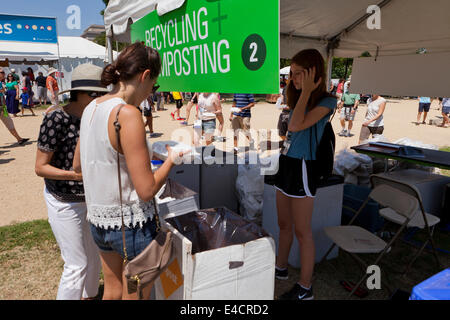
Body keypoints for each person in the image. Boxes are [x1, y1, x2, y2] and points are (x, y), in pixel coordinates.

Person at [74, 42, 185, 300]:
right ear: (145, 76)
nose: (150, 93)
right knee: (135, 295)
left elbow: (78, 165)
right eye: (154, 86)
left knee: (112, 291)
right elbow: (146, 190)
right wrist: (171, 160)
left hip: (99, 220)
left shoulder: (91, 107)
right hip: (131, 226)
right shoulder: (128, 114)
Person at [35, 64, 109, 300]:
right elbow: (41, 167)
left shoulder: (96, 117)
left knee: (94, 258)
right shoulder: (57, 118)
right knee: (76, 264)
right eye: (99, 94)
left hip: (91, 199)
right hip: (63, 201)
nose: (103, 100)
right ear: (85, 94)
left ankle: (88, 296)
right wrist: (75, 176)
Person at [269, 49, 337, 300]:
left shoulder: (327, 101)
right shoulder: (297, 97)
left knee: (302, 231)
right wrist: (300, 93)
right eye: (292, 74)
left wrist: (306, 91)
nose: (293, 79)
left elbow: (297, 125)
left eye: (299, 74)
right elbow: (291, 131)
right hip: (286, 163)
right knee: (283, 224)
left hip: (304, 168)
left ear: (313, 73)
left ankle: (306, 287)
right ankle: (281, 267)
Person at [0, 68, 29, 144]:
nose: (4, 74)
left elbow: (2, 93)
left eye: (4, 72)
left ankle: (19, 139)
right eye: (2, 72)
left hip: (2, 107)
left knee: (9, 121)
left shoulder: (1, 82)